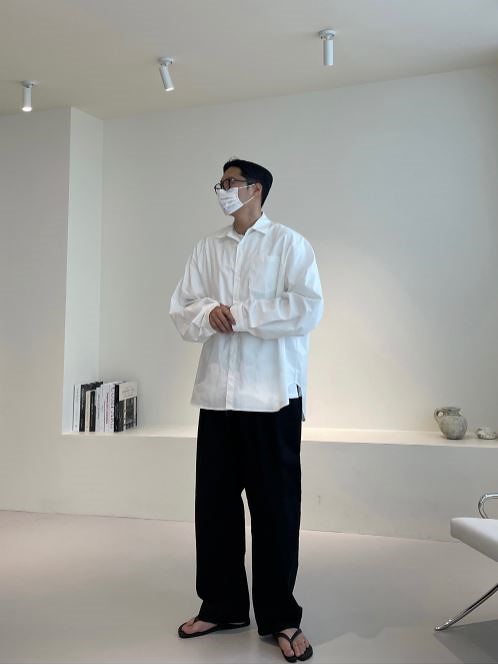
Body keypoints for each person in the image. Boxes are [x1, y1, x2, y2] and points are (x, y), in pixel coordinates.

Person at [169, 157, 323, 663]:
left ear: (255, 190)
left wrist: (240, 314)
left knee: (276, 511)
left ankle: (281, 617)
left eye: (230, 182)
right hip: (218, 397)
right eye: (221, 182)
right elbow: (182, 308)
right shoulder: (207, 248)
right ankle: (223, 606)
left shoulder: (289, 244)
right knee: (214, 508)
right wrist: (207, 313)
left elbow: (307, 307)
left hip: (272, 397)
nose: (222, 189)